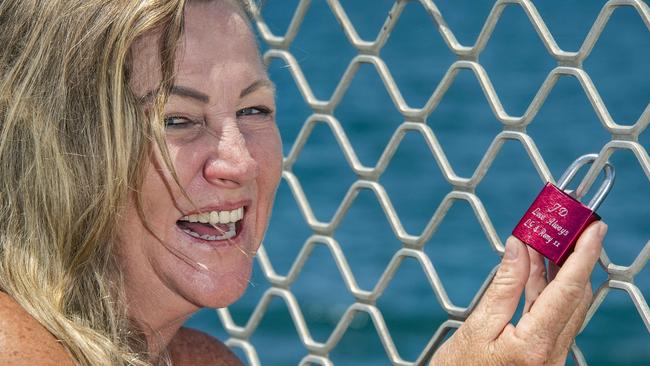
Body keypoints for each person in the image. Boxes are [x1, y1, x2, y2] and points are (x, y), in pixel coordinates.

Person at [0, 0, 606, 365]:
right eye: (177, 120)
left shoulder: (202, 360)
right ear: (59, 146)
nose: (238, 162)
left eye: (255, 110)